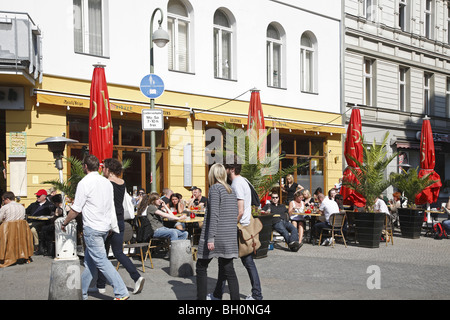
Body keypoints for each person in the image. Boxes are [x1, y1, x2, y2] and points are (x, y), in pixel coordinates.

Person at [61, 154, 129, 300]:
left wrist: (65, 222)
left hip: (92, 228)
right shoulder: (106, 182)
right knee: (91, 262)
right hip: (105, 227)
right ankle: (81, 293)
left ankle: (121, 292)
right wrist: (111, 224)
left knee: (101, 261)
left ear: (85, 166)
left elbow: (76, 209)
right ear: (98, 166)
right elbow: (110, 206)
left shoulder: (84, 183)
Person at [95, 158, 145, 295]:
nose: (102, 170)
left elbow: (105, 204)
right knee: (118, 252)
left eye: (103, 167)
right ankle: (136, 277)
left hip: (109, 221)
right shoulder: (122, 182)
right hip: (120, 220)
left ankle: (100, 285)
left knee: (103, 254)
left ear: (108, 169)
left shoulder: (106, 183)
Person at [196, 163, 240, 300]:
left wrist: (210, 238)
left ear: (213, 175)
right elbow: (234, 213)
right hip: (229, 236)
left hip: (216, 236)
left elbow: (214, 214)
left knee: (201, 266)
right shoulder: (231, 190)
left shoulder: (215, 189)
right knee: (229, 270)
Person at [222, 157, 263, 301]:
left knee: (227, 261)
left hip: (240, 227)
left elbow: (239, 210)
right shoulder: (244, 180)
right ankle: (257, 294)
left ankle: (257, 295)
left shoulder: (237, 184)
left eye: (226, 168)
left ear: (232, 169)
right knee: (232, 261)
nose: (224, 171)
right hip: (245, 225)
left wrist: (229, 225)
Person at [26, 189, 55, 255]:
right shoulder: (33, 205)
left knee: (32, 229)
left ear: (44, 197)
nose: (37, 197)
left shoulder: (49, 205)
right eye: (37, 196)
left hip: (44, 222)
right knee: (28, 227)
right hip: (33, 221)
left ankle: (37, 246)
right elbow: (26, 211)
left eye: (39, 196)